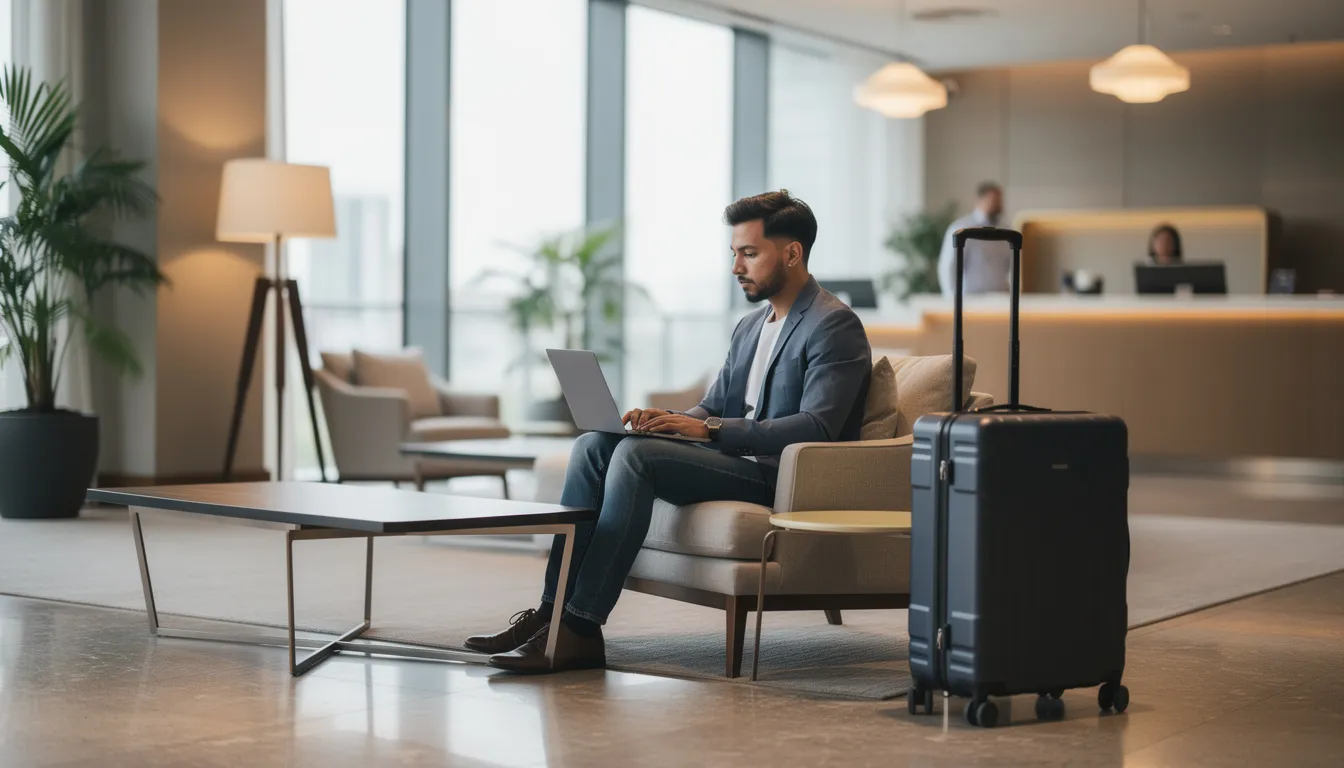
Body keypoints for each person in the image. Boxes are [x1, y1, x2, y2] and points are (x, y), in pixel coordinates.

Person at [467, 190, 873, 674]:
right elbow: (714, 404)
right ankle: (551, 614)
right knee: (596, 446)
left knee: (637, 460)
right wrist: (670, 420)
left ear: (791, 252)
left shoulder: (834, 324)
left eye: (749, 253)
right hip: (733, 460)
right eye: (733, 254)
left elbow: (817, 426)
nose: (736, 267)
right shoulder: (749, 327)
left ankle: (579, 626)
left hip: (776, 475)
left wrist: (708, 430)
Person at [937, 181, 1012, 297]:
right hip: (969, 298)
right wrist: (951, 297)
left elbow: (1012, 265)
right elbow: (949, 265)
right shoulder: (960, 228)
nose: (997, 204)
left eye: (999, 201)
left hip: (999, 297)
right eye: (993, 200)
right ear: (979, 200)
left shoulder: (1007, 230)